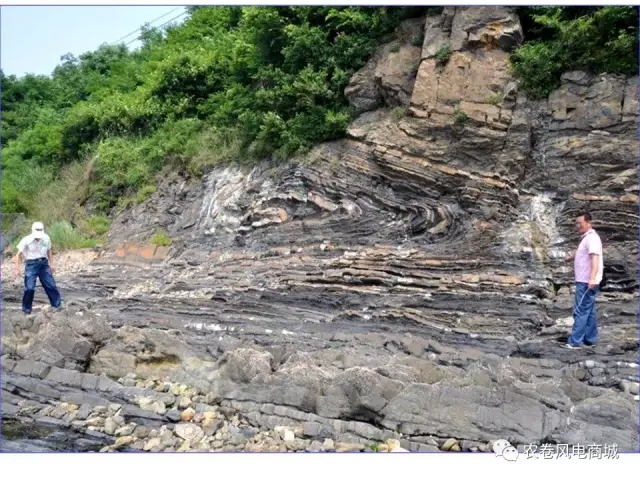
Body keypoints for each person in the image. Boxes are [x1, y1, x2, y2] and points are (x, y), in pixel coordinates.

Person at [562, 212, 603, 349]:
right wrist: (570, 257)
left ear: (588, 223)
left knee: (580, 310)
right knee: (589, 310)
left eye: (580, 223)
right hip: (586, 280)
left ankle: (574, 342)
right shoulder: (587, 239)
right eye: (576, 223)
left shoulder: (592, 238)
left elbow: (594, 258)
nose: (577, 226)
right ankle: (590, 340)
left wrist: (592, 278)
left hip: (586, 281)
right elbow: (582, 253)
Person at [13, 221, 62, 315]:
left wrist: (52, 264)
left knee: (51, 285)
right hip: (31, 264)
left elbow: (49, 251)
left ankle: (57, 305)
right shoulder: (26, 240)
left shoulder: (46, 238)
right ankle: (26, 310)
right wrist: (16, 269)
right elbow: (17, 255)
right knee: (29, 288)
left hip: (44, 264)